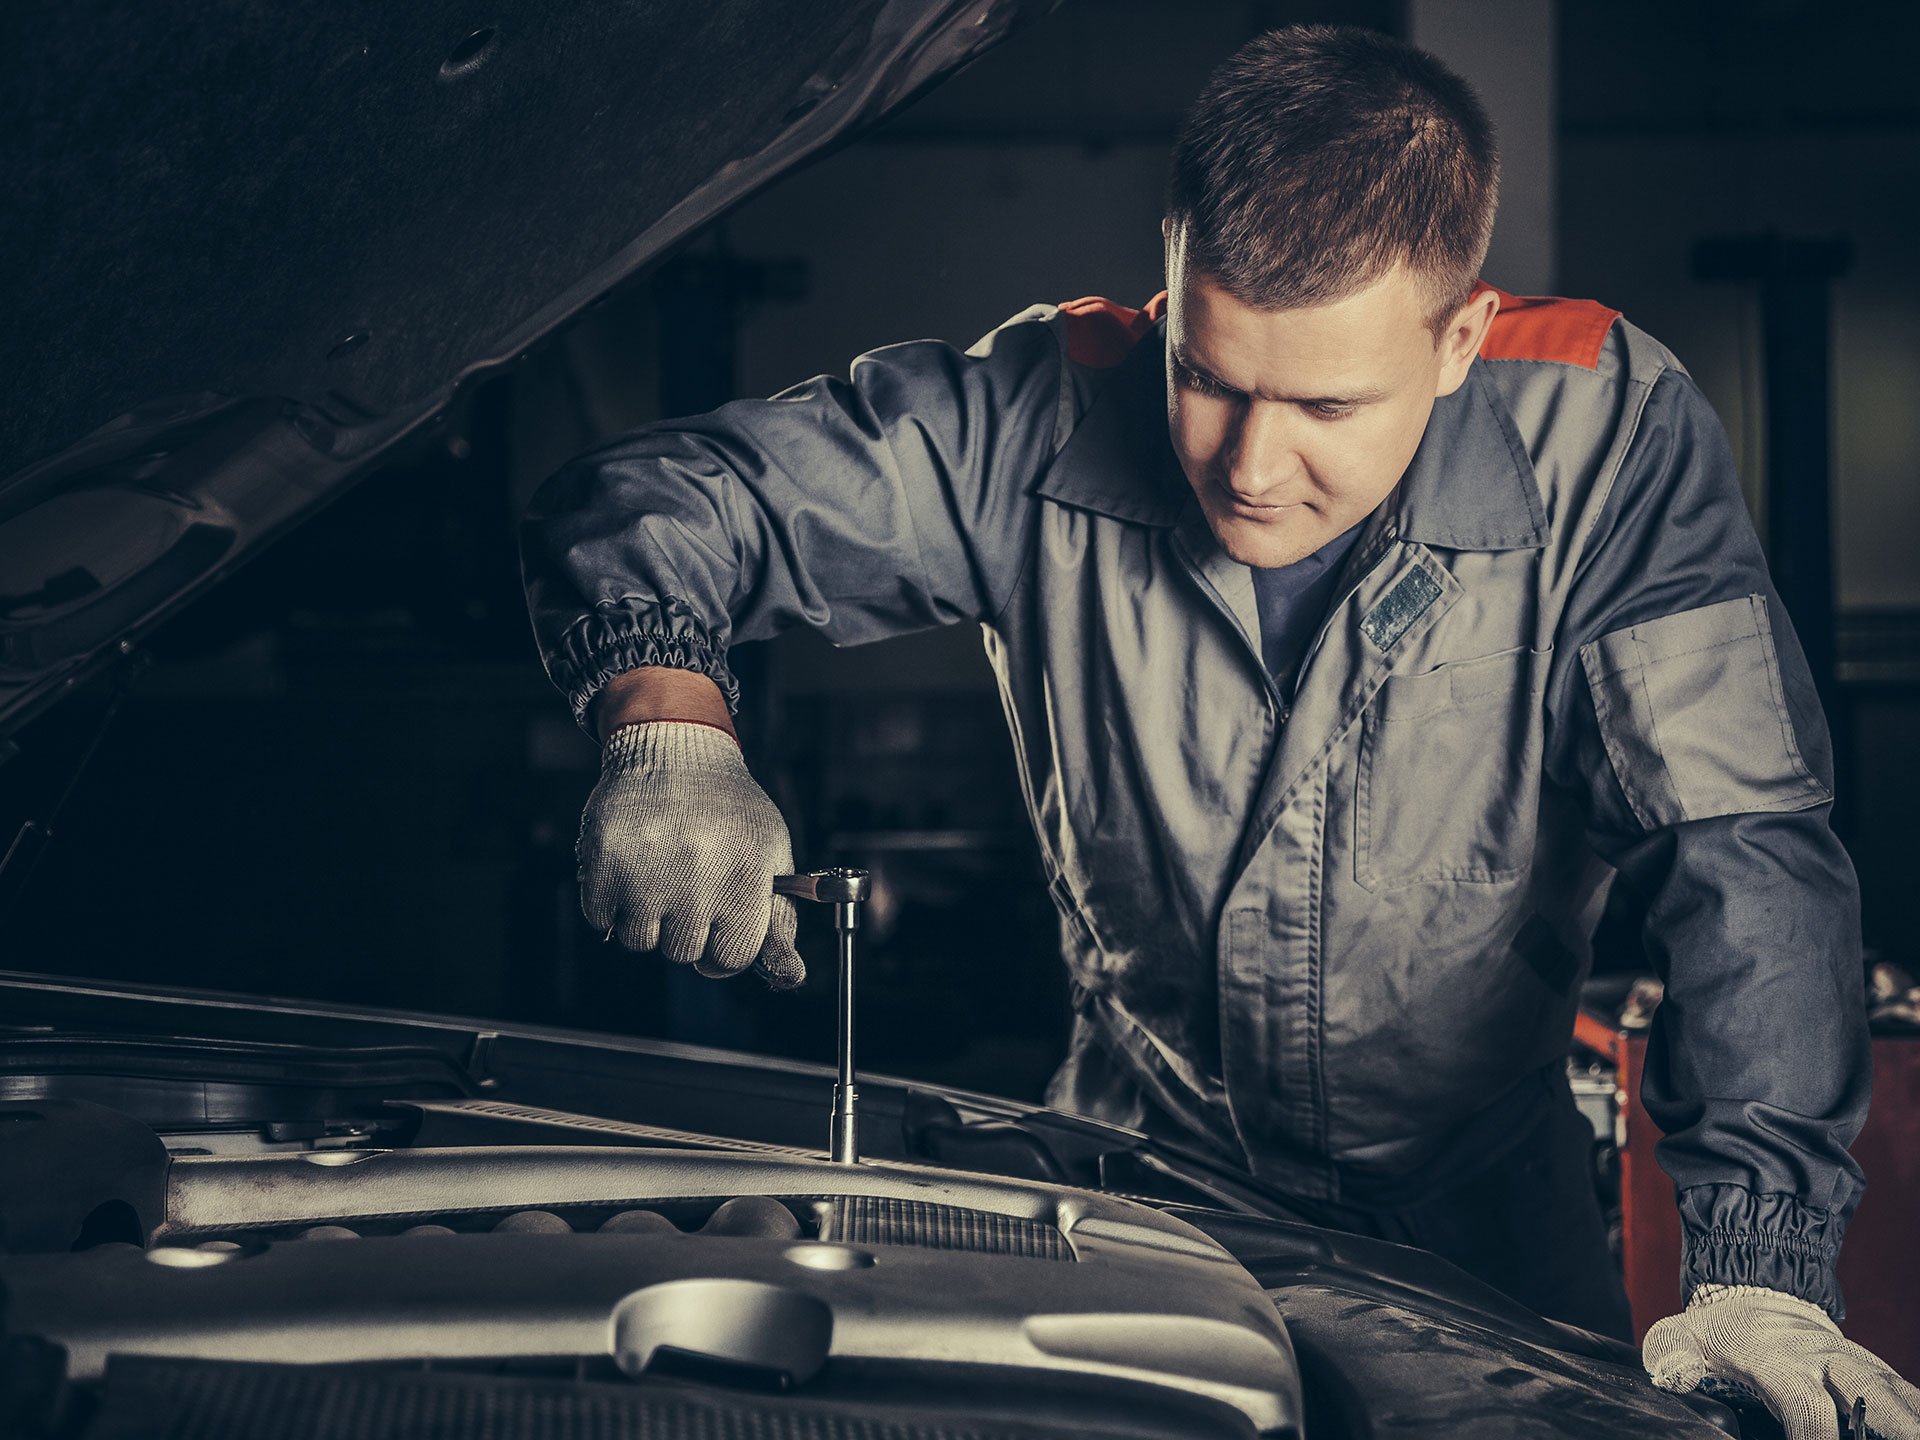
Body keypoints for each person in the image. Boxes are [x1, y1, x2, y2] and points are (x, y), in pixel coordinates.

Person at [522, 25, 1919, 1439]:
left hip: (1491, 1234)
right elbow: (670, 497)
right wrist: (667, 721)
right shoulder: (1043, 411)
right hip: (1134, 1200)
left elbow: (1739, 849)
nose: (1251, 468)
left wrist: (1762, 1272)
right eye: (1209, 378)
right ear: (1173, 285)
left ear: (1459, 342)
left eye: (1323, 405)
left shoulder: (1607, 440)